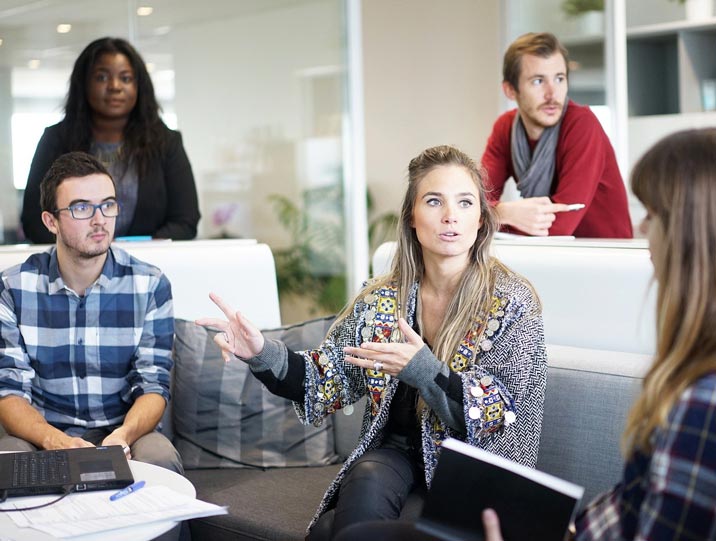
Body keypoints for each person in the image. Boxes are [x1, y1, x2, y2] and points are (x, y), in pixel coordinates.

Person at [197, 145, 547, 539]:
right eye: (434, 201)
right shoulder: (382, 299)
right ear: (412, 218)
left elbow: (498, 415)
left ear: (481, 219)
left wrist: (423, 370)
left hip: (473, 467)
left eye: (465, 203)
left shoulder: (512, 302)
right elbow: (324, 378)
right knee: (364, 480)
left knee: (331, 529)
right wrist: (261, 353)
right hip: (396, 454)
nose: (450, 216)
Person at [448, 128, 716, 541]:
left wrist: (425, 371)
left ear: (691, 233)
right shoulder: (385, 298)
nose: (642, 229)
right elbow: (630, 506)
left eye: (653, 213)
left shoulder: (701, 404)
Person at [0, 151, 182, 475]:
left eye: (108, 205)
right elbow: (9, 393)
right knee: (8, 457)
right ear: (50, 221)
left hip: (124, 431)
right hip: (44, 432)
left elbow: (153, 386)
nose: (100, 220)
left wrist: (123, 436)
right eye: (82, 207)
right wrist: (57, 441)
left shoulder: (150, 284)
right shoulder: (12, 288)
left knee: (161, 459)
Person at [21, 37, 200, 244]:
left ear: (139, 86)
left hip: (148, 266)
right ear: (84, 84)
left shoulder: (167, 143)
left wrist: (134, 251)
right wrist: (88, 249)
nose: (115, 86)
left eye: (126, 78)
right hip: (74, 269)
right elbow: (34, 222)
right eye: (102, 78)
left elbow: (185, 221)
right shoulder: (55, 140)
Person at [481, 32, 632, 238]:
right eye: (537, 81)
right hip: (550, 256)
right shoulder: (505, 128)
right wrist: (503, 212)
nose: (552, 94)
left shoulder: (582, 124)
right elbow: (474, 203)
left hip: (605, 258)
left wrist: (492, 216)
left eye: (559, 79)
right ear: (510, 90)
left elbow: (559, 227)